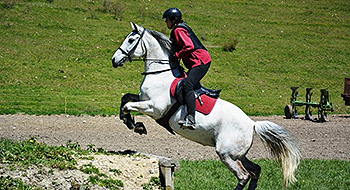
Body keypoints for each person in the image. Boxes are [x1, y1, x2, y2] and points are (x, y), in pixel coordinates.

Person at [163, 8, 212, 130]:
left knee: (188, 85)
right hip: (199, 61)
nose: (166, 23)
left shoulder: (178, 30)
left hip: (200, 61)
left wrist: (177, 56)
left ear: (173, 20)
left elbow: (189, 46)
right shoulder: (178, 29)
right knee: (187, 84)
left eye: (167, 20)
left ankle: (191, 119)